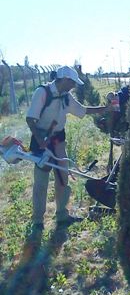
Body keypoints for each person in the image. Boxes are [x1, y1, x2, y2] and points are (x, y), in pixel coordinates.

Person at [26, 65, 110, 229]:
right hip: (41, 141)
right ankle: (37, 221)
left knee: (63, 178)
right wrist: (40, 140)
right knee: (41, 182)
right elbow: (30, 119)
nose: (73, 86)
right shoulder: (42, 93)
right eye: (72, 82)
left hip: (58, 140)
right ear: (64, 80)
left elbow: (83, 111)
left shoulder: (66, 96)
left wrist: (105, 109)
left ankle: (62, 215)